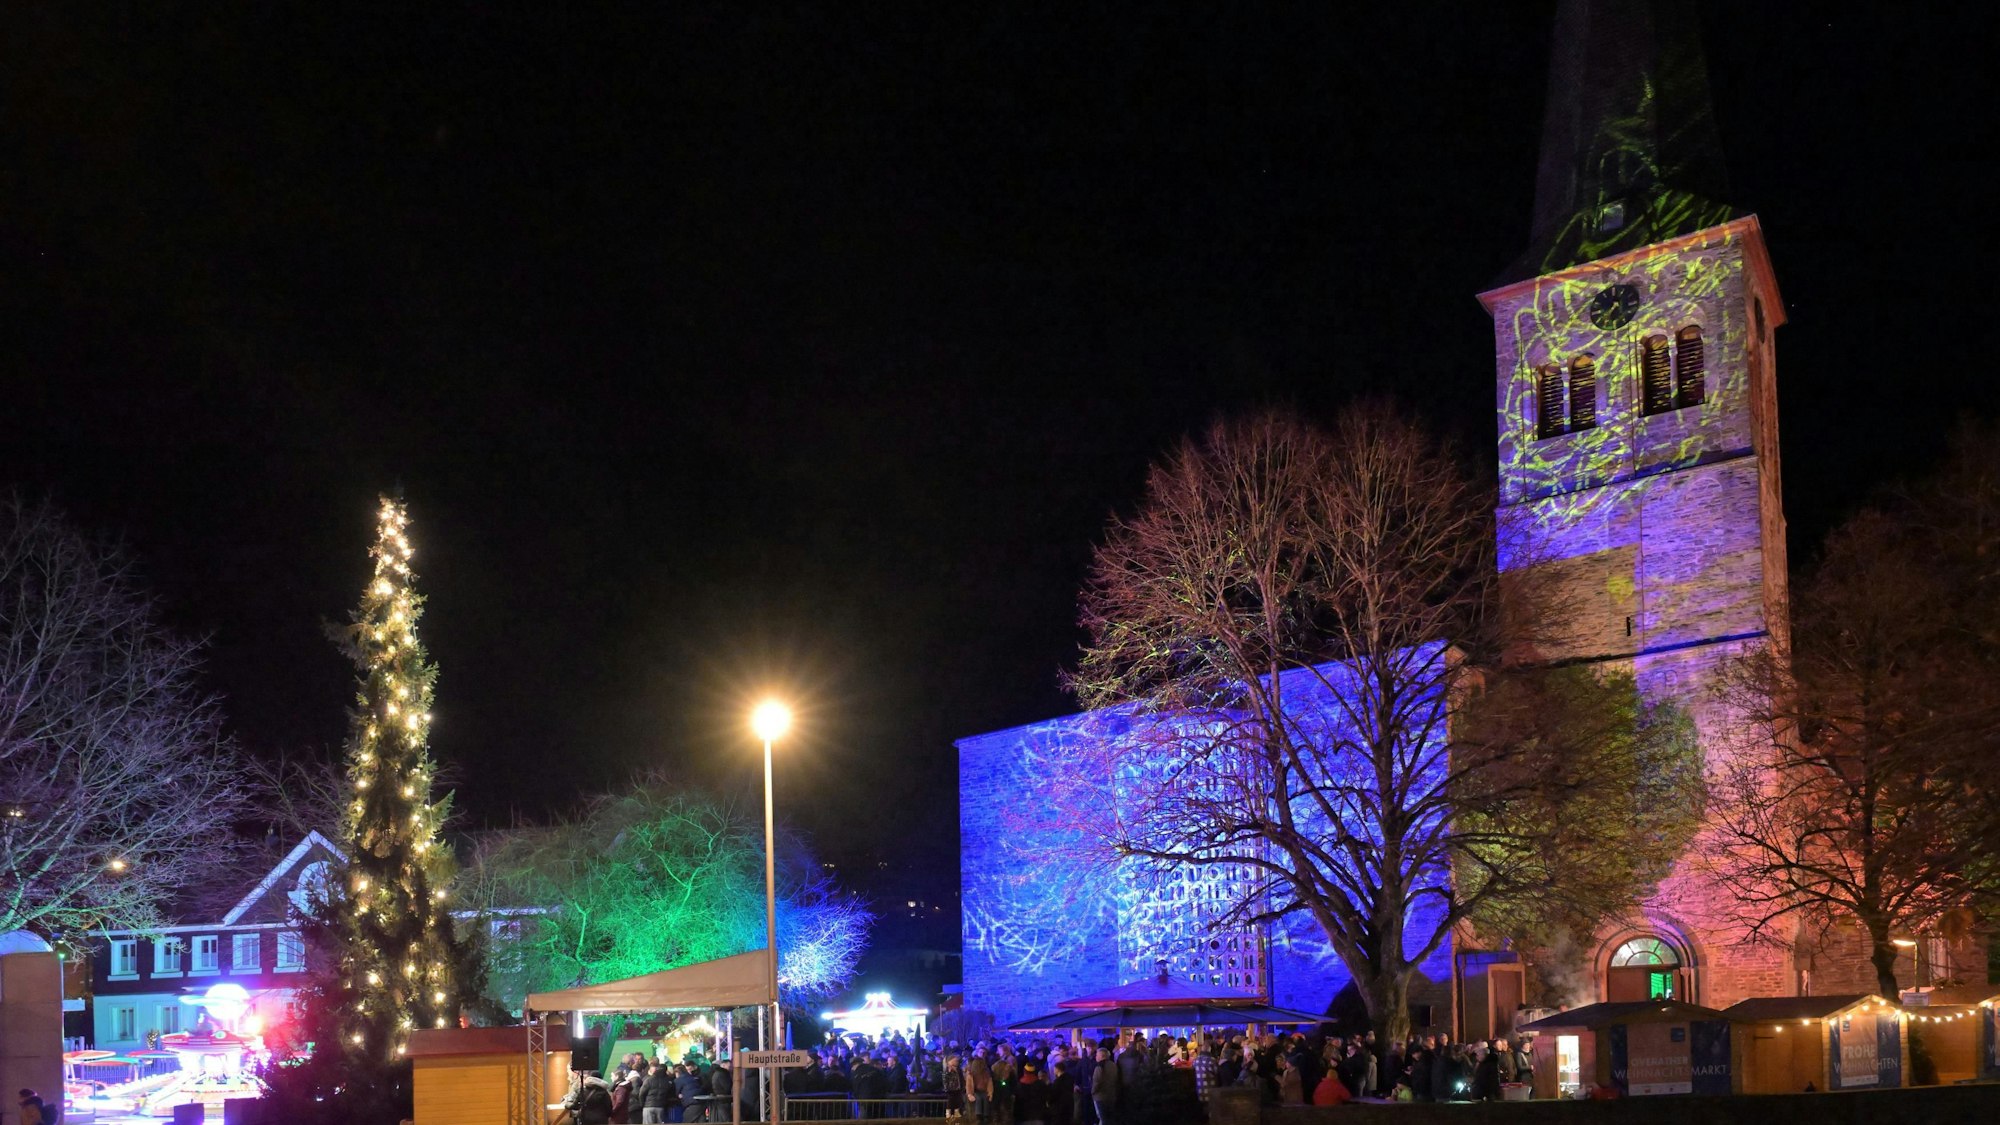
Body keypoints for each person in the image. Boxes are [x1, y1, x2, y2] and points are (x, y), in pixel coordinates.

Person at [1090, 1046, 1119, 1125]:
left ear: (1102, 1056)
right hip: (1111, 1095)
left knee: (1103, 1118)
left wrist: (1092, 1092)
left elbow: (1096, 1081)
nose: (1096, 1057)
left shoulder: (1099, 1067)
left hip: (1100, 1096)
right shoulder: (1113, 1065)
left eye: (1097, 1055)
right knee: (1110, 1118)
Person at [967, 1047, 994, 1125]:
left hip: (984, 1091)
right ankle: (979, 1116)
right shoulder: (971, 1074)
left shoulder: (986, 1073)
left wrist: (990, 1093)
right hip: (975, 1091)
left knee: (985, 1098)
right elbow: (969, 1085)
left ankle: (986, 1116)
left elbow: (989, 1084)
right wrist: (969, 1094)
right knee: (978, 1098)